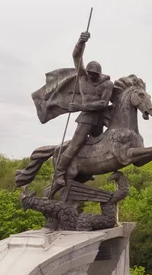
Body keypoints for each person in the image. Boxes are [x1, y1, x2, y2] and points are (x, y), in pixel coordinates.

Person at [54, 31, 113, 187]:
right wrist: (81, 42)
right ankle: (59, 172)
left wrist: (81, 106)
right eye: (90, 73)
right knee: (76, 144)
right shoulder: (82, 77)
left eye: (94, 74)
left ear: (99, 73)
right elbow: (76, 57)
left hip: (100, 118)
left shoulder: (107, 84)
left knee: (98, 147)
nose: (91, 76)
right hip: (86, 118)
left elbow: (103, 103)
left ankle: (87, 170)